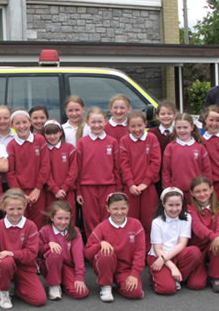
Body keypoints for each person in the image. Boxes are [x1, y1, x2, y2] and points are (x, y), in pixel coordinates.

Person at [0, 189, 46, 309]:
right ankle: (4, 290)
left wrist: (12, 253)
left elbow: (32, 254)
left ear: (25, 207)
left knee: (39, 300)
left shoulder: (30, 226)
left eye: (19, 208)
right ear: (4, 208)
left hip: (25, 267)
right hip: (5, 266)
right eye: (11, 209)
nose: (15, 213)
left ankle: (18, 286)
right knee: (7, 261)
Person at [84, 193, 145, 302]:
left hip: (125, 269)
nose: (119, 212)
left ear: (128, 207)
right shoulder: (102, 227)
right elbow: (87, 253)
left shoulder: (136, 225)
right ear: (108, 208)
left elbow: (140, 253)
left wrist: (134, 275)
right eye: (115, 208)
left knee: (136, 293)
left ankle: (119, 282)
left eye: (123, 208)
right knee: (106, 253)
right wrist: (100, 244)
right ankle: (106, 285)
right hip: (107, 266)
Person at [147, 187, 205, 295]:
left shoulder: (187, 217)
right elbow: (157, 248)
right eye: (170, 205)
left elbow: (182, 244)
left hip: (177, 254)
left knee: (194, 252)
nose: (174, 209)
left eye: (177, 205)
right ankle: (165, 276)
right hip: (159, 256)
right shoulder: (157, 222)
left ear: (182, 204)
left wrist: (171, 265)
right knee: (167, 289)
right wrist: (170, 265)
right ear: (163, 204)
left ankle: (176, 276)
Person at [119, 110, 161, 252]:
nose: (137, 130)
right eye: (133, 126)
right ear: (128, 127)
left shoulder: (152, 138)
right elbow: (123, 164)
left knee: (149, 221)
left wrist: (145, 183)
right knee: (130, 221)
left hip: (147, 188)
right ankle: (131, 251)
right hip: (130, 189)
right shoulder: (124, 141)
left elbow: (155, 162)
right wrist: (130, 183)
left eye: (139, 125)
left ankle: (149, 251)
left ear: (145, 124)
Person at [76, 107, 121, 237]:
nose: (97, 125)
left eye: (100, 122)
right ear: (87, 122)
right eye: (93, 122)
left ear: (105, 121)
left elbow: (117, 168)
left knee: (108, 218)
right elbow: (78, 168)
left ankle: (108, 248)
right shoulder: (82, 143)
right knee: (91, 220)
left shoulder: (112, 142)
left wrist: (118, 188)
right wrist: (79, 190)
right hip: (87, 187)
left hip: (109, 186)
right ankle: (94, 249)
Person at [6, 109, 50, 229]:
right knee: (21, 223)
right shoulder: (11, 145)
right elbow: (10, 173)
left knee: (39, 223)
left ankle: (37, 248)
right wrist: (19, 193)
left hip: (38, 191)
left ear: (30, 122)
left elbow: (45, 166)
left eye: (24, 122)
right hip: (20, 193)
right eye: (17, 123)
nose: (22, 126)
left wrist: (37, 189)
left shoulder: (39, 140)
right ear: (12, 126)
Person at [39, 201, 88, 301]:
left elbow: (78, 256)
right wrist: (48, 245)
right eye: (59, 218)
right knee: (55, 254)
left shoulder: (74, 232)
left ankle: (63, 282)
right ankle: (54, 285)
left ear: (71, 217)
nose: (63, 222)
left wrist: (79, 277)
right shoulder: (44, 231)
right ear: (52, 218)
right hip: (49, 265)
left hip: (67, 267)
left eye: (66, 218)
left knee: (80, 293)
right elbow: (37, 252)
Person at [188, 176, 219, 293]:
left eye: (205, 190)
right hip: (198, 249)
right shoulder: (190, 209)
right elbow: (197, 227)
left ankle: (217, 277)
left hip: (213, 245)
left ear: (211, 190)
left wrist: (218, 236)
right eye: (198, 191)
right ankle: (202, 269)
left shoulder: (218, 207)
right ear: (192, 193)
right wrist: (213, 236)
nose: (202, 194)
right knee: (196, 284)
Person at [162, 112, 212, 202]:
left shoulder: (200, 147)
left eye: (185, 127)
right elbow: (166, 172)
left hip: (197, 193)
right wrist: (167, 190)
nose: (182, 130)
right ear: (175, 128)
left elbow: (207, 171)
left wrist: (206, 189)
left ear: (192, 127)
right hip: (177, 193)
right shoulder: (170, 147)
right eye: (179, 128)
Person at [43, 120, 78, 220]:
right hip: (50, 193)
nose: (52, 136)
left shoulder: (69, 148)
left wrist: (64, 188)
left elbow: (74, 170)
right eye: (48, 133)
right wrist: (55, 189)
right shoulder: (44, 150)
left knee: (69, 219)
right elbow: (45, 172)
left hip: (67, 192)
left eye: (55, 133)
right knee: (51, 219)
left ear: (61, 132)